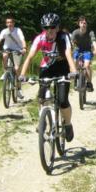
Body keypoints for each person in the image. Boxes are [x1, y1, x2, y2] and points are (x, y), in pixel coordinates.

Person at [19, 13, 77, 142]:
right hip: (47, 68)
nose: (49, 30)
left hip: (62, 68)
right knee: (42, 97)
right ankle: (42, 121)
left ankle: (68, 124)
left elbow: (68, 54)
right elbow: (29, 57)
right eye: (46, 28)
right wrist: (22, 75)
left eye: (52, 27)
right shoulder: (40, 38)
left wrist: (73, 71)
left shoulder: (63, 37)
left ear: (57, 28)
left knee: (62, 100)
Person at [0, 16, 27, 99]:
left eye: (11, 22)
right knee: (4, 55)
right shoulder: (4, 31)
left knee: (16, 68)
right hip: (7, 49)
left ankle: (19, 89)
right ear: (6, 24)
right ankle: (5, 72)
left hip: (17, 50)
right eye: (7, 22)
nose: (9, 24)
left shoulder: (18, 30)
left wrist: (24, 48)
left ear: (13, 23)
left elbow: (22, 40)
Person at [71, 16, 96, 92]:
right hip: (78, 50)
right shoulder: (75, 32)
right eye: (81, 23)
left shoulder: (90, 32)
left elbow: (93, 41)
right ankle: (76, 78)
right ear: (79, 24)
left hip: (87, 50)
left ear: (86, 24)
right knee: (74, 62)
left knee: (87, 66)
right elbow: (71, 43)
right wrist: (70, 50)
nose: (83, 24)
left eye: (85, 23)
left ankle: (89, 83)